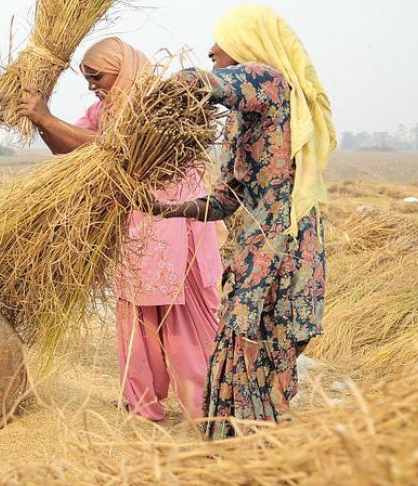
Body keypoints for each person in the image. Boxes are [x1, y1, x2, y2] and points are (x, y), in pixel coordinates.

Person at [151, 5, 333, 439]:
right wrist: (172, 210)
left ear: (248, 46)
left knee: (267, 352)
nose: (213, 50)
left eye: (222, 42)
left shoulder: (269, 81)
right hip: (255, 246)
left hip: (282, 246)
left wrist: (152, 100)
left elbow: (198, 81)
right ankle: (240, 453)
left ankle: (258, 453)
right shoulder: (244, 117)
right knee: (241, 351)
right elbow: (227, 198)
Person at [19, 37, 224, 421]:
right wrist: (41, 121)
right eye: (88, 79)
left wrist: (47, 118)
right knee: (137, 314)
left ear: (122, 67)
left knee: (178, 314)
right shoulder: (105, 108)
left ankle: (208, 403)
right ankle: (142, 400)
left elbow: (117, 148)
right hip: (137, 226)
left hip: (173, 220)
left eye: (98, 76)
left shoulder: (158, 103)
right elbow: (68, 149)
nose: (93, 85)